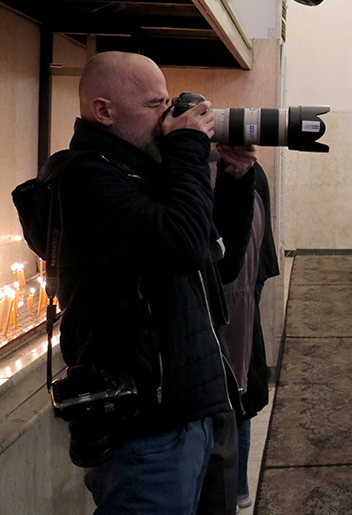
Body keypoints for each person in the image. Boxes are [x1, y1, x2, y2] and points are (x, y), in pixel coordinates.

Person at [24, 51, 257, 512]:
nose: (168, 116)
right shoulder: (86, 177)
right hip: (145, 430)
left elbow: (217, 263)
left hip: (191, 409)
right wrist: (188, 150)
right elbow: (182, 242)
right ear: (104, 110)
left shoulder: (141, 177)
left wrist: (235, 178)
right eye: (156, 105)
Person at [219, 163, 279, 513]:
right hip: (242, 276)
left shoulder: (242, 171)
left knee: (236, 385)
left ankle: (236, 488)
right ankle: (236, 488)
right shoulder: (244, 168)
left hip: (239, 279)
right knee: (237, 384)